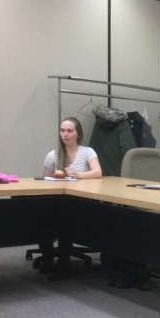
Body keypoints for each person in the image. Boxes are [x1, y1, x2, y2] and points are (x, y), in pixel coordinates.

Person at [39, 117, 102, 273]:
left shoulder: (87, 152)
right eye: (62, 131)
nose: (65, 134)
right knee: (40, 214)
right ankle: (47, 257)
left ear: (77, 134)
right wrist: (54, 176)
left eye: (69, 131)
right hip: (57, 200)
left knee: (66, 216)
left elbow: (98, 172)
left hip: (81, 201)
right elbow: (44, 180)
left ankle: (63, 257)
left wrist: (79, 175)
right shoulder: (53, 155)